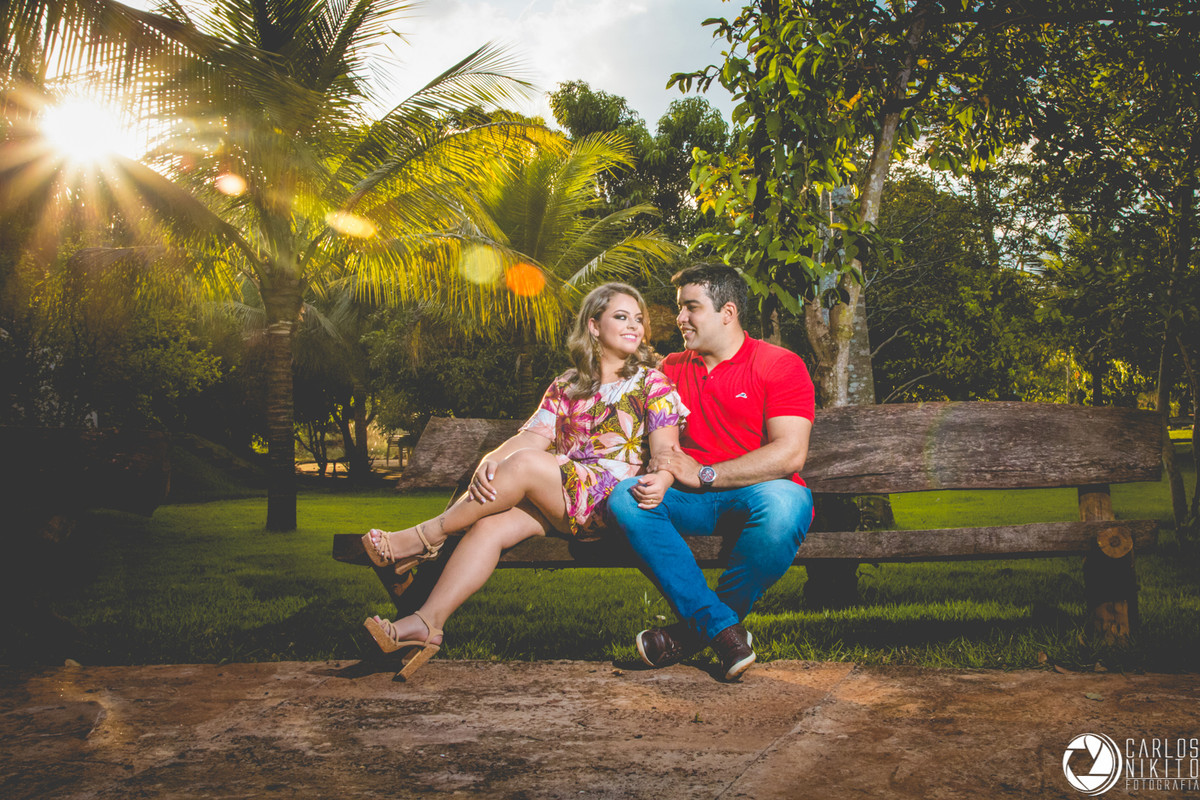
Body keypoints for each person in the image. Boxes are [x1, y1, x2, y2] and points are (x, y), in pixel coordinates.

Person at [360, 282, 686, 679]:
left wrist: (663, 477)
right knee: (489, 527)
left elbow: (666, 450)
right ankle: (427, 622)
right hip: (560, 499)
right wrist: (489, 461)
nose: (634, 325)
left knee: (528, 464)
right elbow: (531, 437)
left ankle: (425, 537)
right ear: (594, 326)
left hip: (607, 504)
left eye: (638, 319)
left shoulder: (652, 383)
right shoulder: (568, 384)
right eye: (621, 316)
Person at [605, 263, 815, 682]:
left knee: (788, 502)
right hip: (687, 499)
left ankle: (692, 634)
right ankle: (721, 630)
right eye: (679, 308)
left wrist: (706, 473)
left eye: (691, 307)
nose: (679, 318)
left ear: (727, 312)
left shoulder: (778, 364)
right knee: (626, 499)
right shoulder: (669, 369)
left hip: (756, 493)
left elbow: (790, 453)